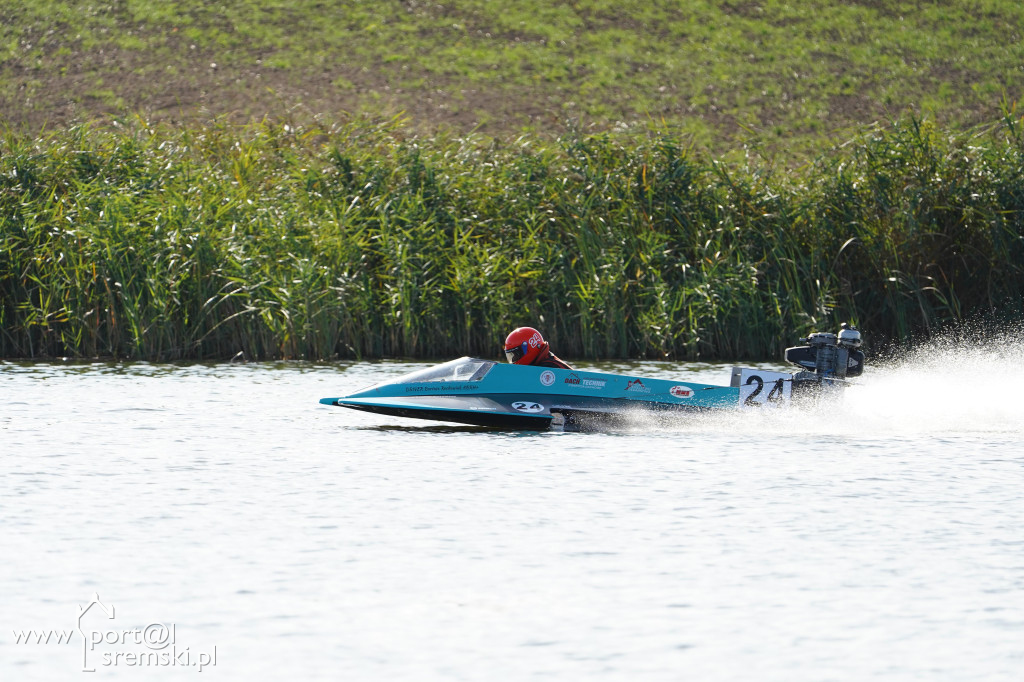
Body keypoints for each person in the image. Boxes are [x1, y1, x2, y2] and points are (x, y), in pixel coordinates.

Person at [503, 327, 573, 369]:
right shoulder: (542, 361)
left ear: (526, 349)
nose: (513, 359)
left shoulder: (549, 366)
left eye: (515, 355)